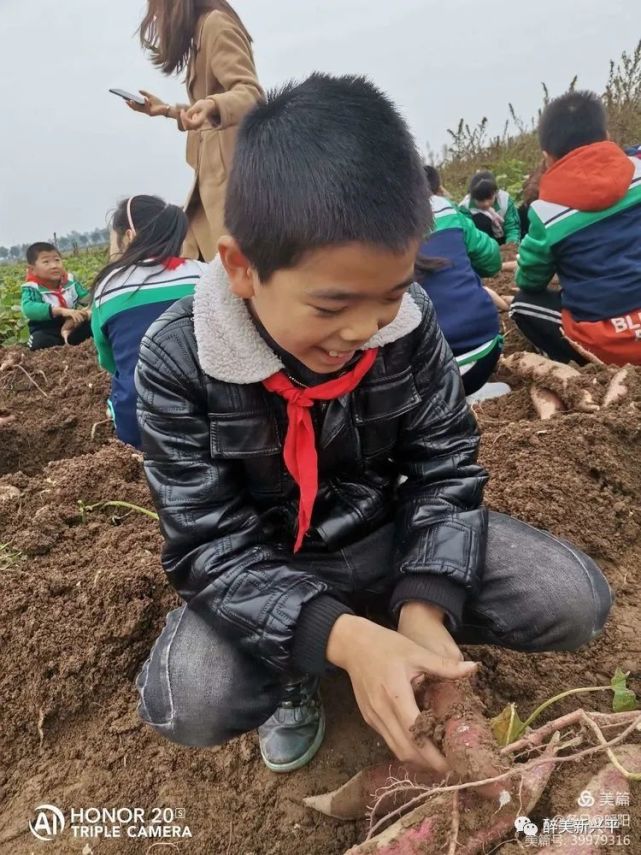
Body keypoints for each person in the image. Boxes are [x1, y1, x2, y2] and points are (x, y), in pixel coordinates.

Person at [133, 74, 612, 776]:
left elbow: (445, 466)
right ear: (241, 266)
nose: (361, 330)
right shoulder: (179, 358)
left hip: (387, 537)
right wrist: (338, 636)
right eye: (330, 307)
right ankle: (309, 660)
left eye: (387, 294)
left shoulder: (406, 324)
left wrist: (425, 599)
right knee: (192, 697)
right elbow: (208, 546)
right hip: (270, 562)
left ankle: (401, 629)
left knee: (572, 599)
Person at [126, 0, 264, 263]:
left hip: (230, 183)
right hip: (211, 180)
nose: (155, 16)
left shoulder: (216, 25)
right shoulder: (200, 33)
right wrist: (165, 110)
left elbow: (251, 94)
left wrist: (213, 104)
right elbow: (202, 111)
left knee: (237, 270)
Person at [511, 90, 641, 366]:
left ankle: (574, 363)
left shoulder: (545, 213)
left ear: (547, 156)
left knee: (521, 303)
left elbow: (530, 281)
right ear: (606, 135)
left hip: (607, 346)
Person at [91, 196, 208, 448]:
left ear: (130, 236)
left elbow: (108, 361)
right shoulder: (203, 274)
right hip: (211, 418)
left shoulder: (107, 287)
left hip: (141, 425)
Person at [416, 166, 503, 395]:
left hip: (423, 377)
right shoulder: (449, 210)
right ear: (436, 189)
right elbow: (492, 261)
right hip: (485, 352)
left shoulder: (372, 228)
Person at [21, 243, 92, 351]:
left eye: (57, 260)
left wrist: (89, 310)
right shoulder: (32, 287)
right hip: (47, 330)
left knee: (95, 325)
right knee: (39, 341)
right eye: (46, 262)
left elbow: (87, 299)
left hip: (72, 325)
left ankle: (71, 342)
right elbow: (29, 308)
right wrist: (60, 311)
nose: (54, 265)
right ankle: (63, 347)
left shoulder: (70, 281)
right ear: (32, 270)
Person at [460, 170, 521, 246]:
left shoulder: (504, 200)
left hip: (503, 238)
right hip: (481, 243)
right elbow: (468, 235)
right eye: (480, 200)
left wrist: (511, 245)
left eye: (489, 198)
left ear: (496, 192)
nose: (486, 203)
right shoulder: (465, 207)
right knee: (481, 218)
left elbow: (512, 227)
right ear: (472, 197)